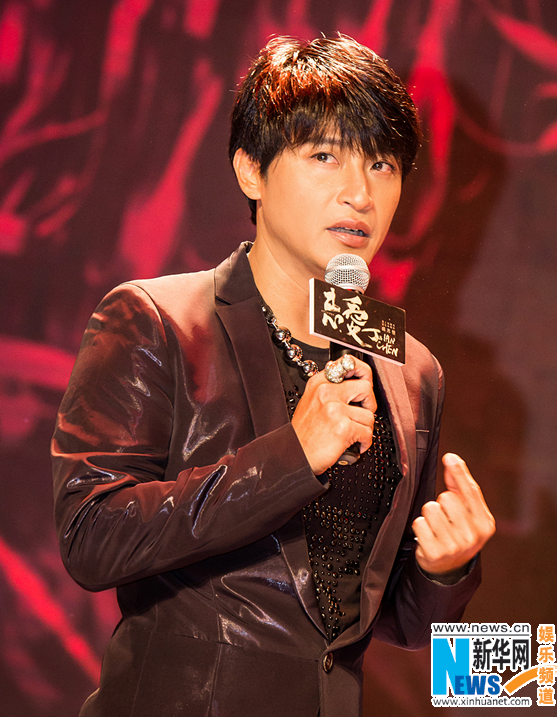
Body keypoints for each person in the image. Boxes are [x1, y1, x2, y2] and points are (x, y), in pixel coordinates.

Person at [51, 35, 495, 717]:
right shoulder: (157, 320)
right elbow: (91, 537)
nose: (359, 193)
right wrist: (293, 455)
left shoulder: (411, 370)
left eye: (382, 164)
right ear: (251, 171)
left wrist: (446, 568)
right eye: (325, 156)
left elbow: (380, 616)